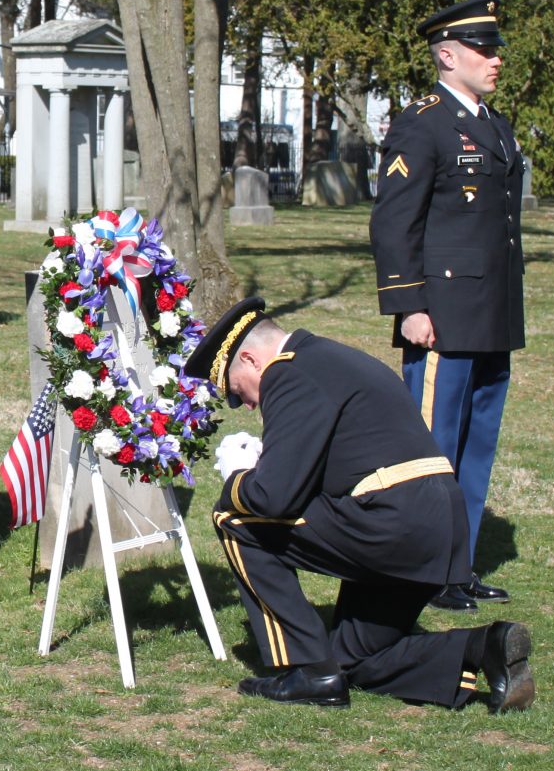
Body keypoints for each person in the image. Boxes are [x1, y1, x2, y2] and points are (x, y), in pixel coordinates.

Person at [181, 298, 534, 712]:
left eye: (240, 392)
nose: (250, 405)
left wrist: (237, 477)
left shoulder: (289, 374)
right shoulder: (331, 358)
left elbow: (273, 498)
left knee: (235, 516)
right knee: (351, 661)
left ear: (251, 359)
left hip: (392, 521)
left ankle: (306, 670)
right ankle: (484, 647)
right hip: (434, 524)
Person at [369, 0, 525, 612]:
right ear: (447, 53)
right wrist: (410, 305)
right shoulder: (423, 121)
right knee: (431, 447)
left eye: (495, 49)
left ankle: (456, 567)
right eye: (484, 49)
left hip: (491, 313)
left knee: (477, 446)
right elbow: (394, 222)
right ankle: (420, 568)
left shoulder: (494, 124)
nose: (495, 60)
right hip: (441, 316)